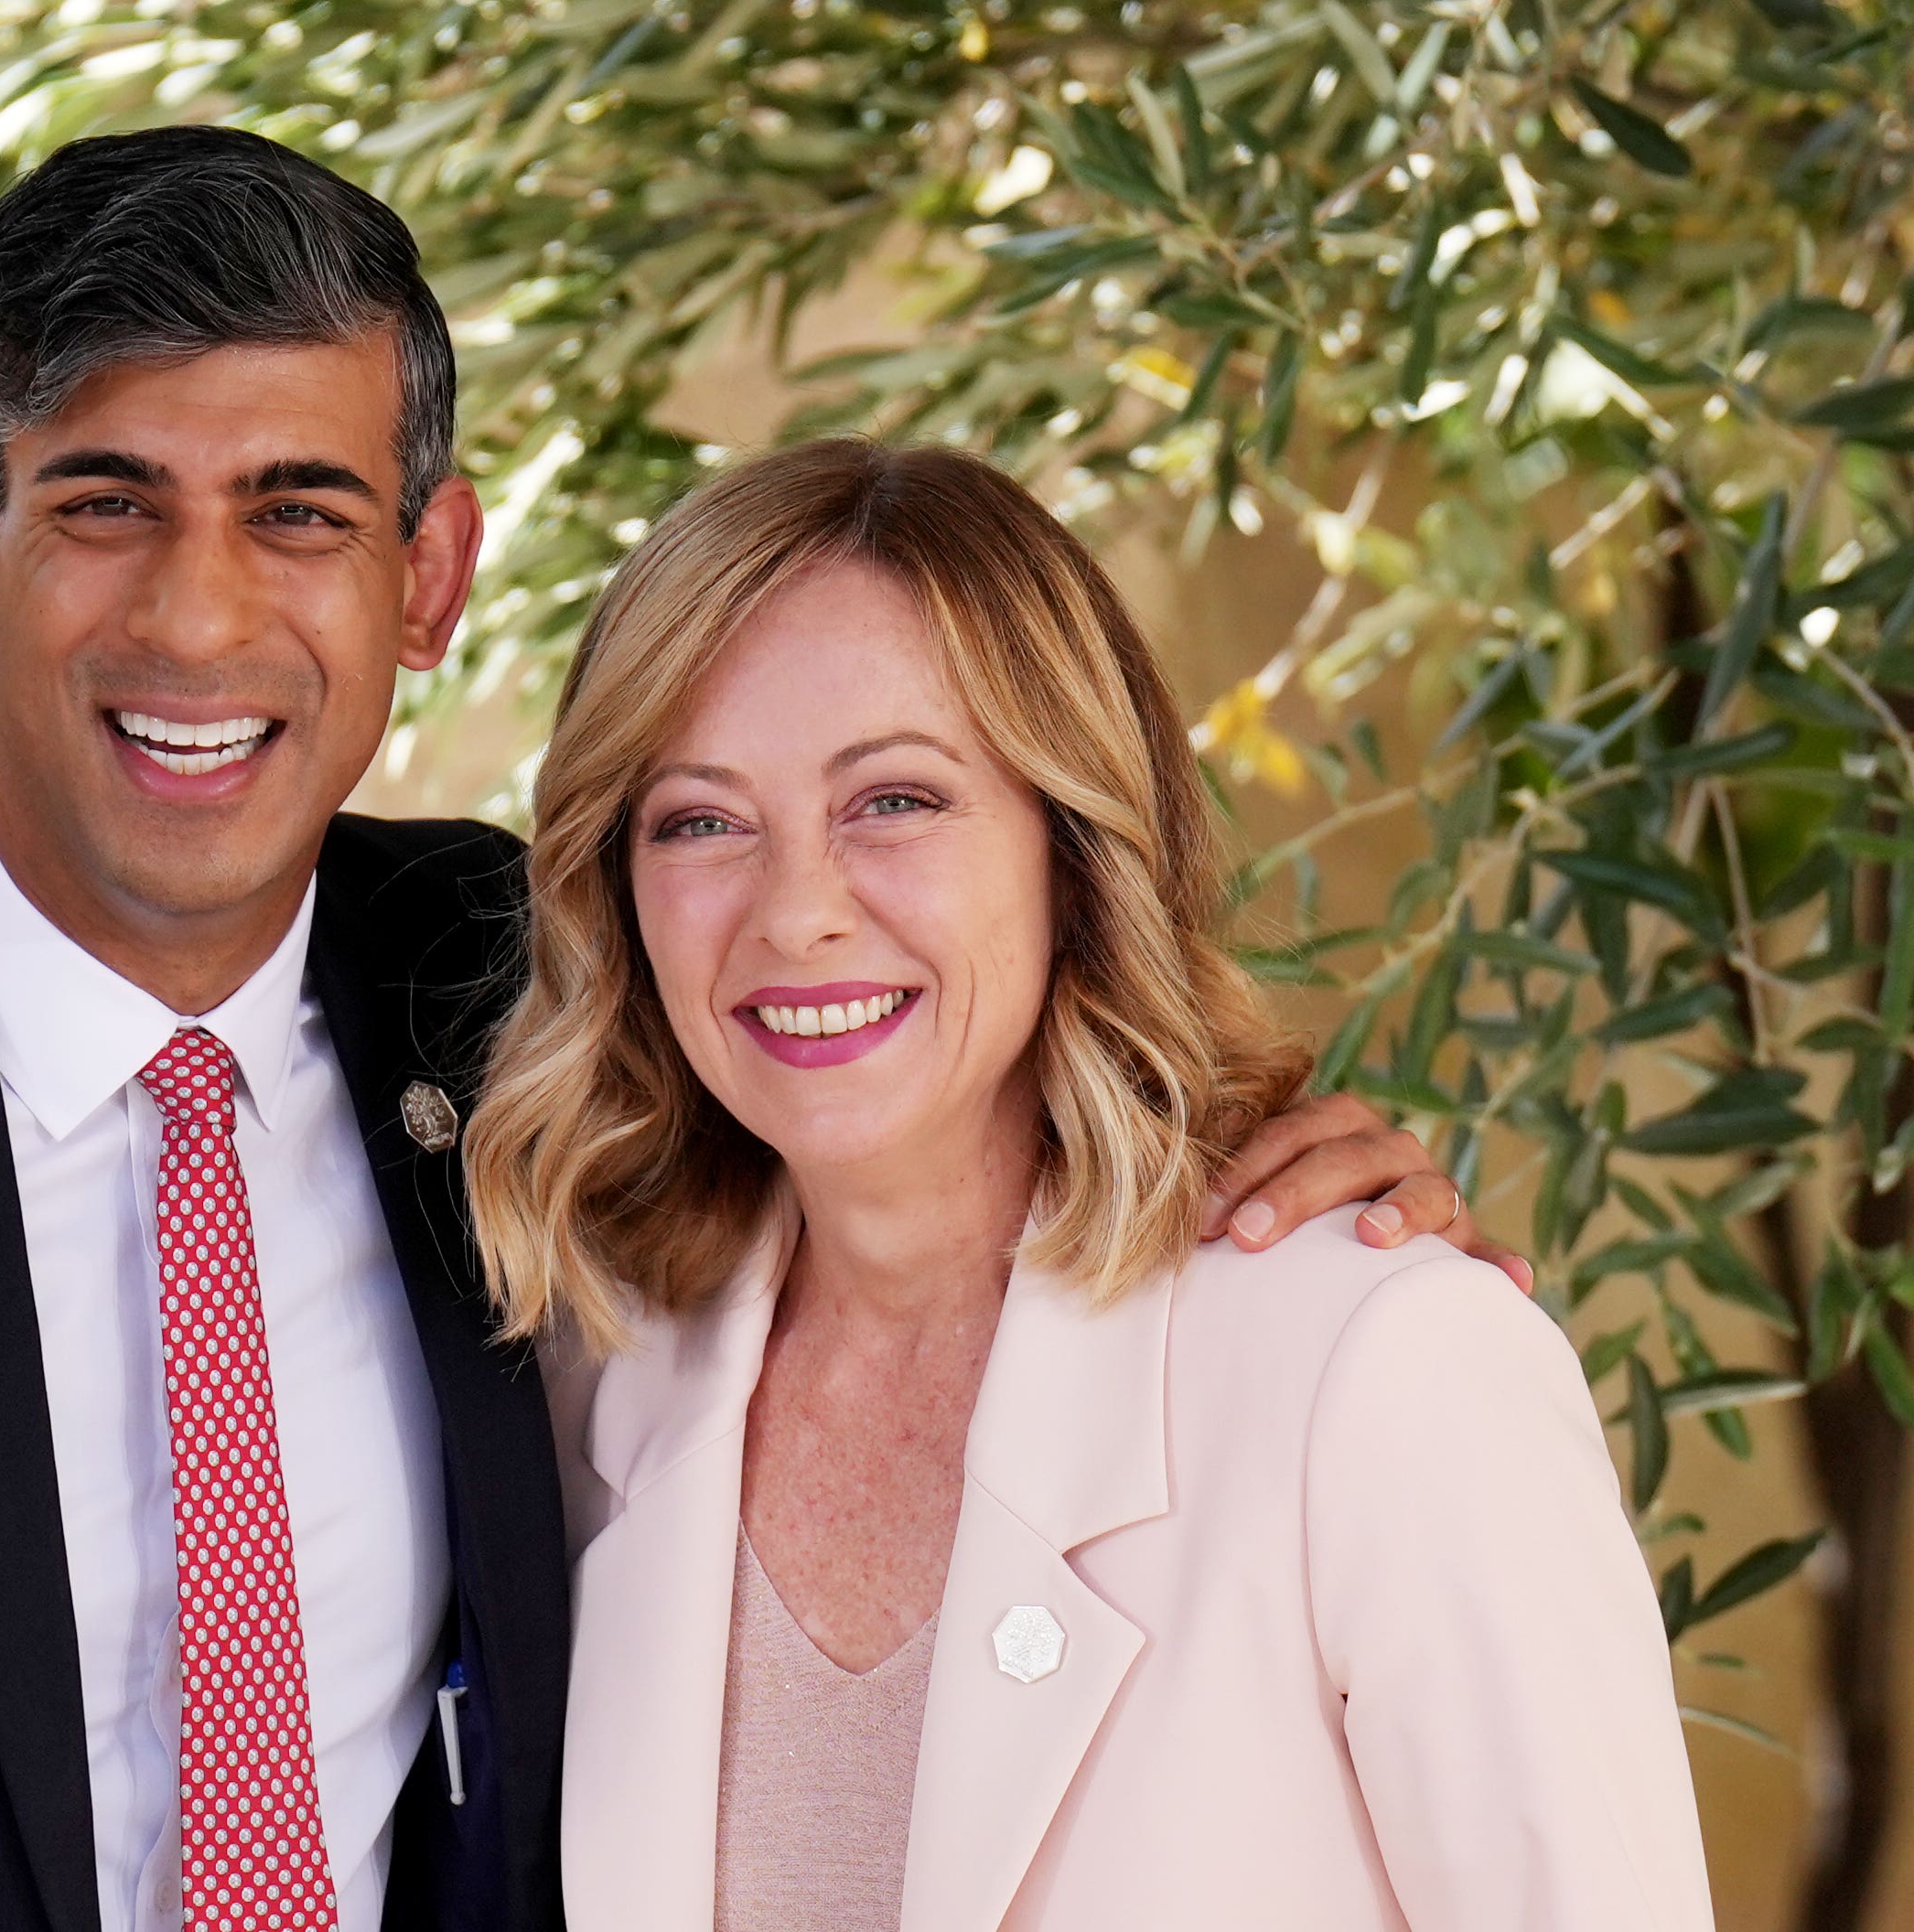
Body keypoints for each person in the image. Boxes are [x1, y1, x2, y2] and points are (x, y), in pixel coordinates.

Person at [0, 133, 1492, 1932]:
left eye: (300, 513)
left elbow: (919, 1067)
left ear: (428, 577)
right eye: (106, 503)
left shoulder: (531, 985)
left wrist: (1260, 1167)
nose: (200, 618)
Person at [468, 438, 1714, 1932]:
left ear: (1072, 841)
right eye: (701, 821)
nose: (797, 911)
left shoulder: (1382, 1371)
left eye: (898, 802)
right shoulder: (580, 1389)